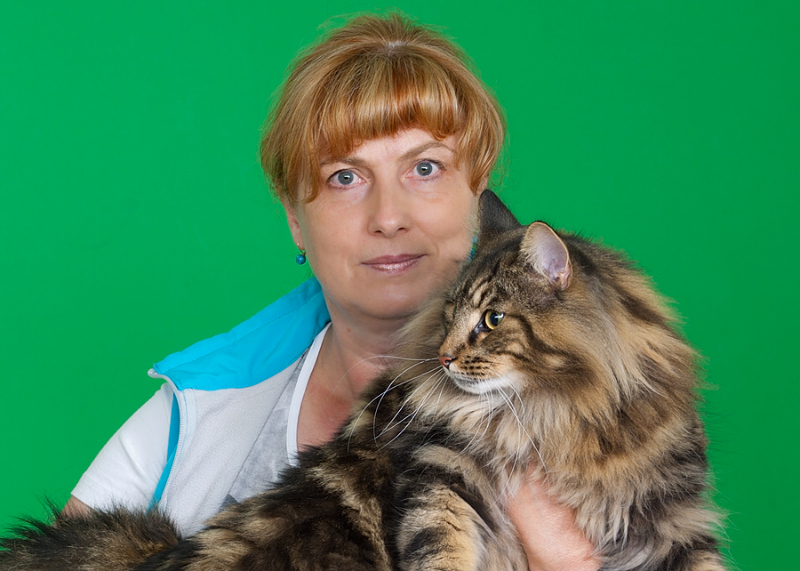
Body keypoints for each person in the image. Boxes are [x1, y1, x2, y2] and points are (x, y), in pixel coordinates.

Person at [63, 12, 599, 571]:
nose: (388, 217)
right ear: (295, 219)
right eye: (345, 176)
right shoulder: (201, 405)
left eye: (425, 168)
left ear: (478, 193)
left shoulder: (591, 409)